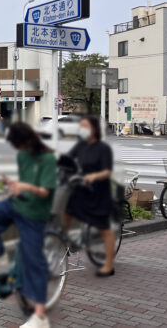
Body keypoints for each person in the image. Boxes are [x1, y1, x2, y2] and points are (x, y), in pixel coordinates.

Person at [0, 122, 56, 328]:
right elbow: (25, 183)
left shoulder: (47, 159)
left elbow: (44, 192)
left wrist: (23, 186)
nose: (19, 150)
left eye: (20, 144)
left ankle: (41, 317)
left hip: (35, 213)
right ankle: (3, 270)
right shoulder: (23, 155)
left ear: (29, 139)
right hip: (18, 204)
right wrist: (13, 185)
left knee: (34, 260)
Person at [63, 115, 116, 277]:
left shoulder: (103, 148)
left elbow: (107, 171)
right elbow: (67, 159)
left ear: (94, 130)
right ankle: (65, 241)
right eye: (81, 126)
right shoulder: (81, 146)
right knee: (66, 209)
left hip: (99, 192)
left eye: (85, 126)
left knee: (104, 229)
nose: (82, 129)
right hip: (83, 188)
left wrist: (94, 176)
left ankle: (108, 265)